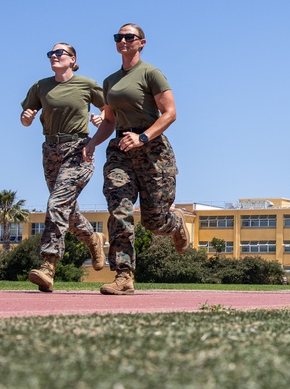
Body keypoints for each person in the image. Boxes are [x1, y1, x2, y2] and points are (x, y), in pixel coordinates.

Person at [83, 24, 190, 295]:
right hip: (121, 150)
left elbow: (170, 113)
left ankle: (176, 224)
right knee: (119, 209)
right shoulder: (110, 82)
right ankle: (123, 275)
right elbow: (109, 120)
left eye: (129, 37)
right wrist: (93, 142)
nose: (123, 41)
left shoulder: (151, 74)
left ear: (141, 43)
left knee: (154, 222)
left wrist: (143, 138)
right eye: (118, 37)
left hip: (152, 151)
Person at [21, 43, 108, 293]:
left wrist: (102, 117)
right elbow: (26, 116)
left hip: (79, 150)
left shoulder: (87, 85)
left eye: (60, 53)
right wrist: (26, 118)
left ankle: (48, 266)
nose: (54, 56)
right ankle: (93, 239)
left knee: (56, 204)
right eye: (51, 53)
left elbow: (109, 110)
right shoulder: (40, 86)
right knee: (66, 210)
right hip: (50, 151)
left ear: (73, 59)